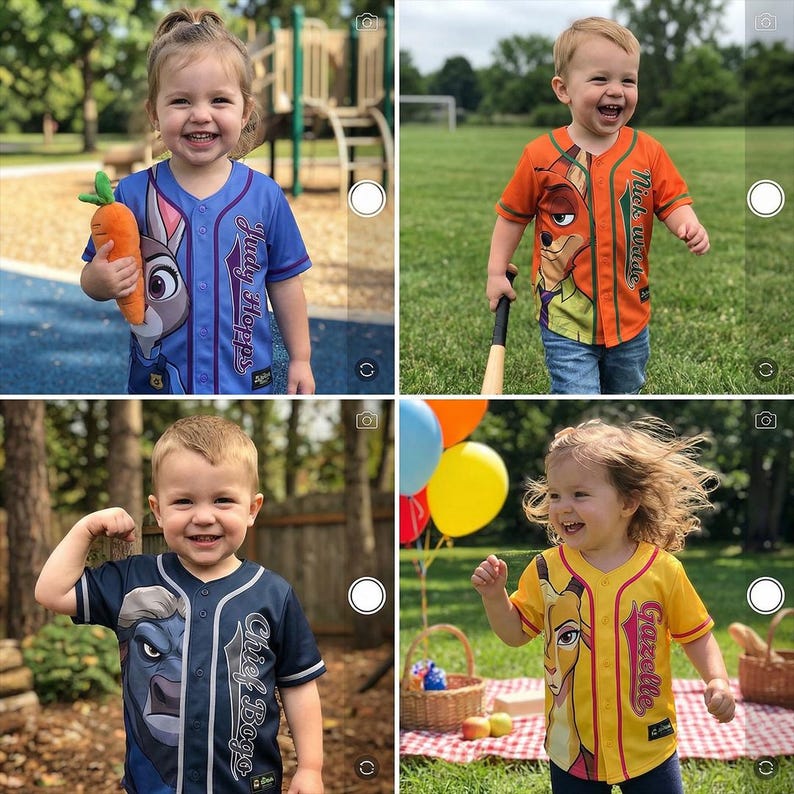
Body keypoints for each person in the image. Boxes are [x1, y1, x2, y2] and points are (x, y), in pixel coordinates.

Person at [35, 414, 325, 794]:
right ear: (158, 510)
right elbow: (51, 593)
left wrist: (311, 767)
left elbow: (298, 685)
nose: (203, 517)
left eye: (223, 500)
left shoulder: (273, 594)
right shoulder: (133, 581)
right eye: (184, 501)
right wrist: (85, 529)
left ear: (252, 509)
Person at [471, 418, 735, 793]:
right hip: (572, 749)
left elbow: (696, 634)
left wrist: (717, 680)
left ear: (627, 502)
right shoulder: (546, 570)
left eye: (579, 494)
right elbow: (515, 634)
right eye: (555, 495)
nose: (562, 507)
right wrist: (495, 597)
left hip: (648, 745)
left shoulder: (662, 570)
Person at [80, 8, 314, 395]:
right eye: (181, 101)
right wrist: (99, 282)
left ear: (245, 111)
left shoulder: (266, 196)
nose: (201, 115)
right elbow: (92, 271)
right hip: (157, 382)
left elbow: (285, 283)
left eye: (219, 100)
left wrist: (300, 358)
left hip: (245, 382)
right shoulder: (131, 195)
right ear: (154, 113)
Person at [486, 17, 710, 394]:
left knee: (625, 390)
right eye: (600, 79)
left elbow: (672, 201)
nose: (616, 91)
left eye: (628, 80)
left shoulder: (648, 151)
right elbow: (512, 217)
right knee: (576, 393)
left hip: (629, 315)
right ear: (563, 89)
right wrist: (496, 272)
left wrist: (688, 224)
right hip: (565, 316)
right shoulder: (539, 155)